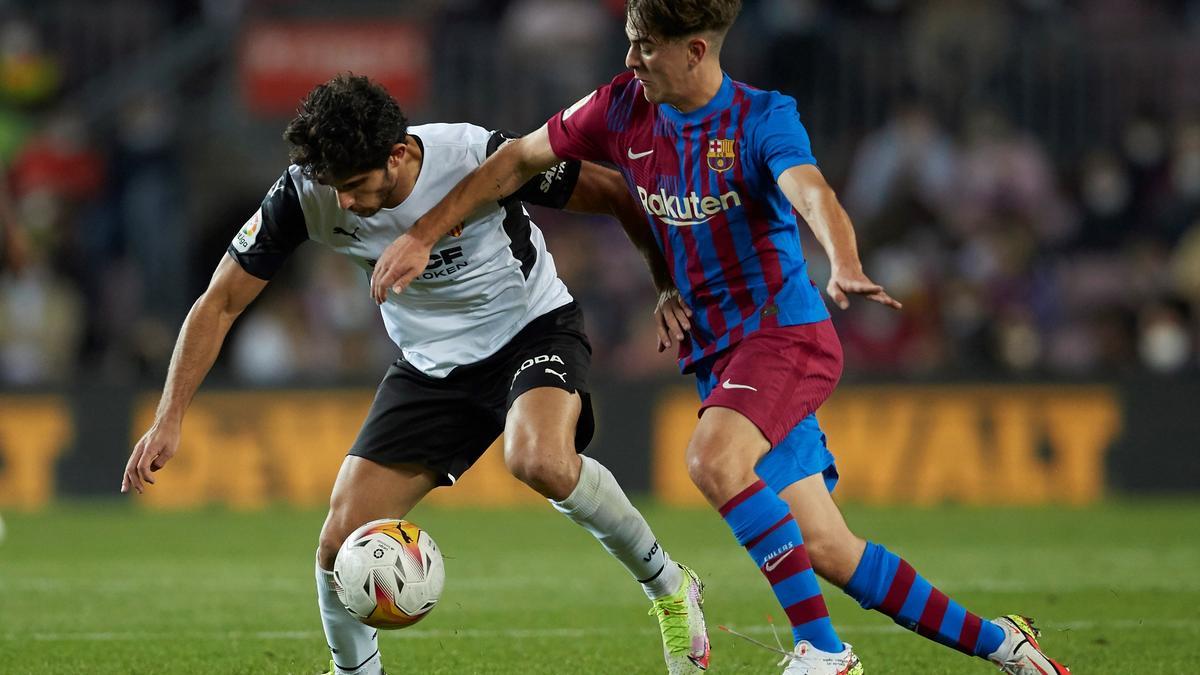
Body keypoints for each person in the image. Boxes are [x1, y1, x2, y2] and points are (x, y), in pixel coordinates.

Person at [370, 2, 1072, 674]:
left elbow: (812, 193)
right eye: (630, 40)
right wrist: (424, 235)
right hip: (720, 351)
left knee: (711, 457)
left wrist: (845, 260)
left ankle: (824, 650)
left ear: (695, 49)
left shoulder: (762, 118)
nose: (630, 57)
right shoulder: (620, 106)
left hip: (783, 336)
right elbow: (517, 160)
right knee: (828, 547)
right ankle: (1006, 644)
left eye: (645, 45)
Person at [119, 74, 711, 675]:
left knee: (538, 460)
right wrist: (169, 418)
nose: (343, 202)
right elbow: (219, 302)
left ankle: (668, 586)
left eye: (355, 185)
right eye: (334, 188)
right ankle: (354, 671)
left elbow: (611, 189)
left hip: (531, 330)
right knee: (337, 546)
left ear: (398, 153)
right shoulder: (303, 195)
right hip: (430, 370)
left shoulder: (471, 155)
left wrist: (664, 282)